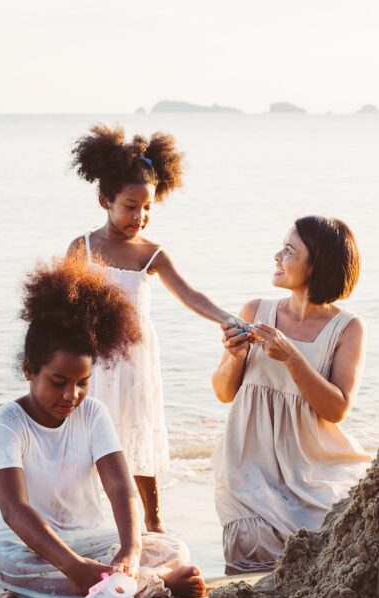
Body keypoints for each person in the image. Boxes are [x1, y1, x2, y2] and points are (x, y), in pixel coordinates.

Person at [0, 256, 206, 598]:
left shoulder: (93, 413)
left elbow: (119, 488)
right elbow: (14, 511)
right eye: (58, 382)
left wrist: (129, 551)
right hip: (24, 546)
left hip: (90, 540)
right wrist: (72, 566)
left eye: (82, 383)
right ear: (28, 370)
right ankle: (154, 585)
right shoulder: (7, 423)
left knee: (172, 547)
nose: (71, 395)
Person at [66, 125, 237, 533]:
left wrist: (229, 320)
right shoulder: (83, 248)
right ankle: (80, 516)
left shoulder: (152, 254)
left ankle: (154, 520)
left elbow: (190, 294)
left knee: (138, 434)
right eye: (130, 206)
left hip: (135, 361)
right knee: (86, 435)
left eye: (147, 208)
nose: (139, 217)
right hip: (93, 360)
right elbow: (62, 305)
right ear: (105, 200)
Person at [211, 216, 371, 572]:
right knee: (251, 548)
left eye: (289, 250)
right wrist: (236, 356)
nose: (277, 256)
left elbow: (337, 409)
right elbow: (223, 393)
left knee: (350, 531)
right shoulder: (256, 311)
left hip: (314, 467)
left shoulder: (347, 328)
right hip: (248, 468)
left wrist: (293, 358)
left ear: (317, 266)